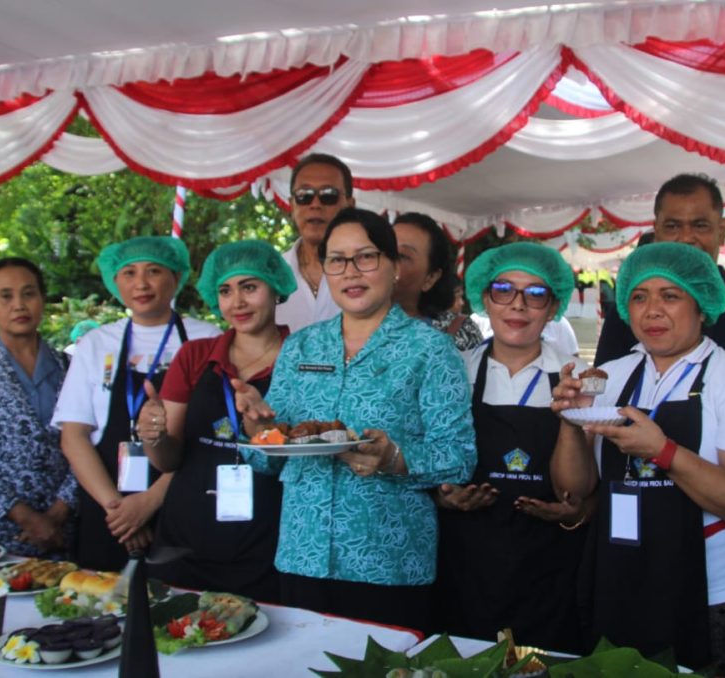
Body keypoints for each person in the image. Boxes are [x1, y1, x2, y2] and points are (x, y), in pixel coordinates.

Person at [236, 208, 476, 631]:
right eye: (337, 259)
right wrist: (259, 430)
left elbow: (458, 456)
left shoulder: (431, 350)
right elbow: (269, 457)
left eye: (366, 257)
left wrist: (394, 458)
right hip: (303, 554)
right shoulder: (302, 348)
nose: (351, 271)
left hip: (388, 560)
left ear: (394, 266)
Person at [552, 242, 725, 673]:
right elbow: (574, 489)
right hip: (621, 577)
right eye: (639, 296)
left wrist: (664, 451)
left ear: (701, 306)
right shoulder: (609, 376)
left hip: (712, 589)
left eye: (670, 296)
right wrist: (568, 421)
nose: (652, 310)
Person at [434, 242, 596, 653]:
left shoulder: (576, 378)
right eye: (503, 289)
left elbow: (578, 491)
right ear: (484, 299)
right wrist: (445, 496)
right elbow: (433, 463)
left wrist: (568, 421)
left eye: (536, 293)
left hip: (549, 568)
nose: (518, 305)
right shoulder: (455, 371)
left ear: (554, 305)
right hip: (467, 564)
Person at [137, 240, 296, 603]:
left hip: (268, 545)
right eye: (225, 290)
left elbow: (297, 457)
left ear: (276, 290)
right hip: (184, 541)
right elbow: (168, 460)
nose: (236, 302)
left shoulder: (301, 357)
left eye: (249, 287)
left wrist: (263, 429)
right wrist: (154, 436)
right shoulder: (195, 355)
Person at [53, 236, 221, 571]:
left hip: (183, 504)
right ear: (114, 281)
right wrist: (120, 511)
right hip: (109, 515)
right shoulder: (95, 343)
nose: (141, 283)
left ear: (176, 277)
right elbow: (73, 436)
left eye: (154, 270)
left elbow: (216, 436)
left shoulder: (209, 340)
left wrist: (150, 501)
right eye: (129, 273)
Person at [594, 173, 725, 366]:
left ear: (721, 231)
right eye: (672, 226)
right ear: (657, 232)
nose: (686, 238)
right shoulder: (630, 312)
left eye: (700, 225)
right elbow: (604, 387)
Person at [0, 258, 74, 556]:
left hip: (59, 532)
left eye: (28, 293)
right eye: (6, 296)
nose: (19, 305)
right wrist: (26, 517)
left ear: (43, 300)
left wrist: (58, 513)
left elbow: (91, 443)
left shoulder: (71, 368)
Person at [276, 153, 355, 332]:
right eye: (304, 195)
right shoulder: (269, 275)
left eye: (328, 195)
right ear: (292, 205)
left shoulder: (370, 274)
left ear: (350, 205)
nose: (315, 204)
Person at [393, 212, 482, 350]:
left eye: (402, 256)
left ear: (430, 278)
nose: (388, 261)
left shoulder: (458, 331)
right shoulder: (352, 323)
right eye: (384, 250)